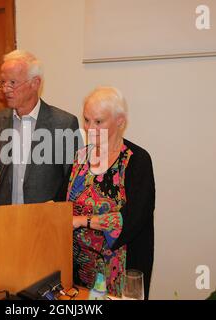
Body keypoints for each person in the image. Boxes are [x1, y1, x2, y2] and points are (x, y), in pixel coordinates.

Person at [0, 50, 81, 205]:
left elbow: (74, 179)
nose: (5, 89)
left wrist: (58, 207)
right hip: (6, 219)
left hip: (46, 220)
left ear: (35, 83)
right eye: (3, 82)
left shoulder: (64, 123)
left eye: (13, 83)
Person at [67, 87, 155, 298]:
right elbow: (63, 202)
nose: (89, 128)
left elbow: (133, 219)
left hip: (120, 271)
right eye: (86, 120)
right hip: (78, 272)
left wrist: (82, 221)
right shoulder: (80, 156)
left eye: (98, 122)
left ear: (120, 121)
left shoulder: (137, 160)